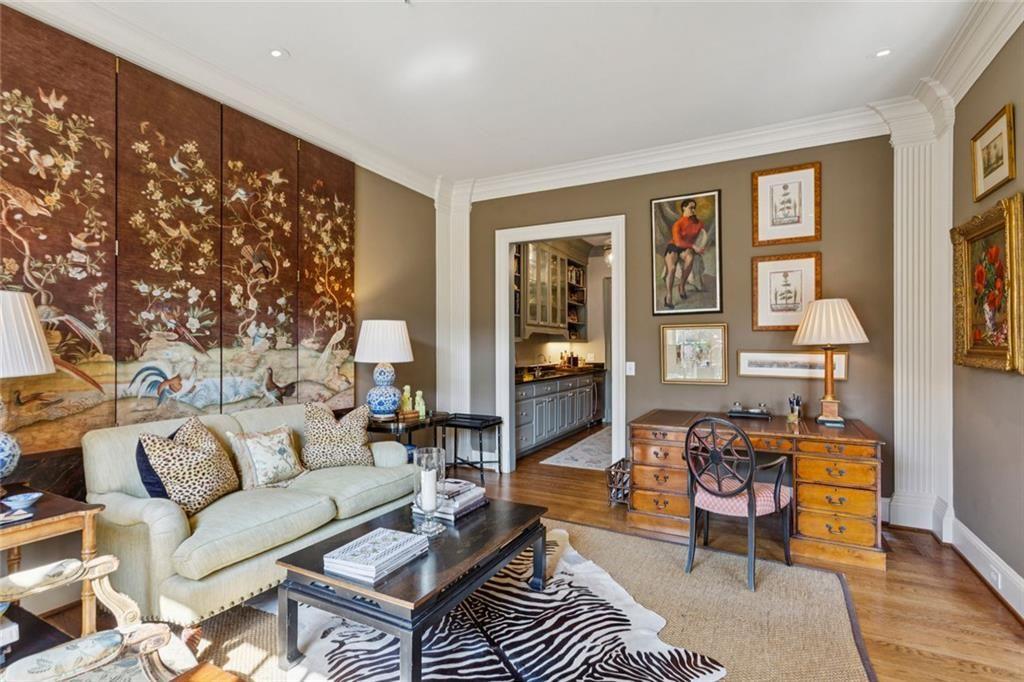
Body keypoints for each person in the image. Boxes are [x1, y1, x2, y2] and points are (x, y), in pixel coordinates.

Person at [663, 198, 708, 308]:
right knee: (672, 268)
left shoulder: (699, 224)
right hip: (673, 246)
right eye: (690, 207)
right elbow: (678, 242)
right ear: (684, 208)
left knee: (690, 258)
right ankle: (669, 296)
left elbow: (702, 236)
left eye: (694, 208)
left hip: (686, 248)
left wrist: (700, 247)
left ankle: (681, 285)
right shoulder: (677, 224)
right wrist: (693, 246)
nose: (693, 210)